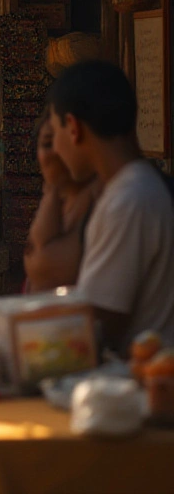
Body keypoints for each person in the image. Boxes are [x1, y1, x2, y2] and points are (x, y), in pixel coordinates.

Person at [47, 60, 174, 351]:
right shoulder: (134, 188)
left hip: (138, 384)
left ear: (73, 127)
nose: (55, 149)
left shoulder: (128, 200)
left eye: (55, 133)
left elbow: (100, 321)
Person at [24, 113, 99, 292]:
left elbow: (43, 270)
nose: (56, 152)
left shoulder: (98, 198)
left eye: (60, 141)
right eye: (47, 144)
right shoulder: (56, 200)